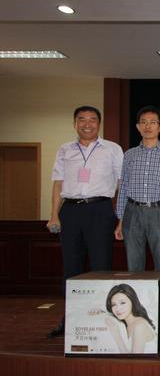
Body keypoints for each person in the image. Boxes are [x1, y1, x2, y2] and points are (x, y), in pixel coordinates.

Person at [46, 106, 123, 338]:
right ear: (75, 123)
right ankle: (70, 319)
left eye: (92, 120)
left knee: (101, 265)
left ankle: (103, 319)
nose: (87, 124)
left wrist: (120, 217)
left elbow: (122, 183)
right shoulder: (64, 149)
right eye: (82, 120)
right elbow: (58, 183)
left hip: (100, 209)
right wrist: (54, 214)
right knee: (71, 267)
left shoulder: (112, 149)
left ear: (99, 124)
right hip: (70, 211)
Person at [114, 106, 160, 271]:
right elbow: (123, 187)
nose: (147, 126)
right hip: (132, 211)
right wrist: (120, 219)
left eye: (152, 122)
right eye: (143, 122)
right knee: (133, 264)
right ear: (138, 127)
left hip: (159, 212)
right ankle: (136, 290)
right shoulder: (129, 154)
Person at [104, 283, 156, 353]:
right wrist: (99, 311)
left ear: (132, 301)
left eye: (122, 303)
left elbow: (134, 359)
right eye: (113, 304)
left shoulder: (139, 326)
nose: (118, 308)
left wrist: (117, 335)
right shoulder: (126, 324)